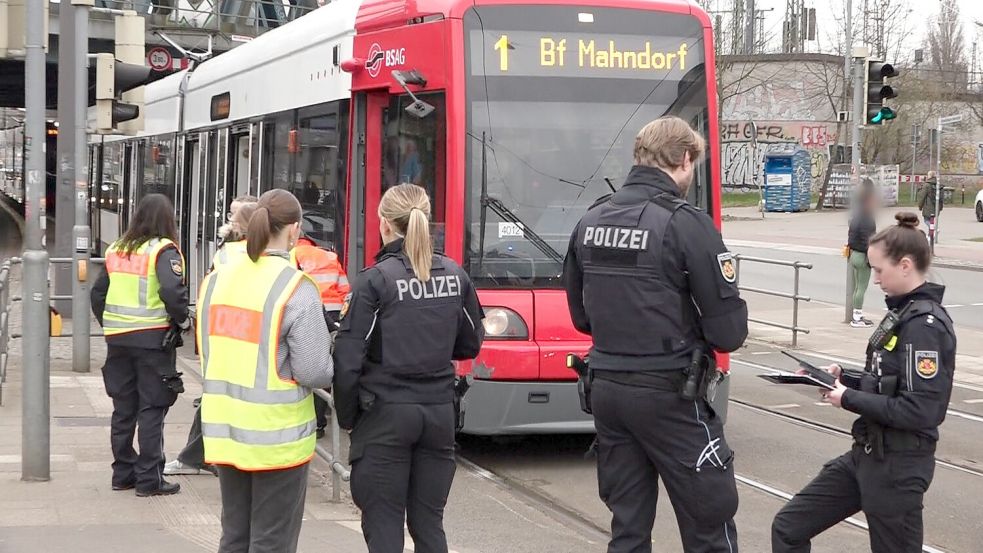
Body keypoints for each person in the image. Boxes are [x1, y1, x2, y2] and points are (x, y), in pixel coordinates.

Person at [563, 116, 748, 553]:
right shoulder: (687, 223)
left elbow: (581, 316)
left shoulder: (590, 220)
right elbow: (729, 332)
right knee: (709, 521)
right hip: (671, 393)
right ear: (685, 159)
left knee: (628, 527)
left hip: (608, 389)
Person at [772, 212, 956, 553]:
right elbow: (889, 382)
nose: (873, 279)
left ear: (904, 266)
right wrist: (843, 377)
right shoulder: (902, 312)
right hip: (867, 455)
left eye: (878, 269)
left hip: (898, 466)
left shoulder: (924, 326)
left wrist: (848, 398)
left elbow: (920, 409)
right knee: (788, 527)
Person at [333, 183, 484, 553]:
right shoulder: (454, 274)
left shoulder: (374, 281)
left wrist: (347, 416)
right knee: (429, 525)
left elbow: (348, 359)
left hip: (385, 416)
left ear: (385, 224)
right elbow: (470, 343)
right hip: (438, 414)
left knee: (384, 526)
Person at [198, 189, 334, 553]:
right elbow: (315, 370)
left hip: (226, 432)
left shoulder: (217, 277)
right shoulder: (294, 287)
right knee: (271, 542)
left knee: (235, 537)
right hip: (277, 440)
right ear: (294, 230)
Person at [91, 193, 190, 497]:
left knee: (123, 408)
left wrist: (112, 325)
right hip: (152, 342)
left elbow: (97, 295)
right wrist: (183, 320)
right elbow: (172, 292)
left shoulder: (117, 250)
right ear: (167, 219)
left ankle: (122, 473)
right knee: (152, 407)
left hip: (118, 341)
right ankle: (149, 479)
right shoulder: (163, 250)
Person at [164, 195, 258, 477]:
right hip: (240, 337)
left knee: (216, 399)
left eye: (234, 215)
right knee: (218, 400)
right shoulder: (244, 252)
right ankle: (200, 457)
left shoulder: (229, 253)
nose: (228, 219)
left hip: (229, 336)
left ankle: (200, 458)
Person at [290, 232, 351, 438]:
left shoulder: (291, 254)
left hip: (310, 312)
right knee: (326, 365)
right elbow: (345, 291)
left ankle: (312, 422)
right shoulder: (330, 256)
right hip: (333, 313)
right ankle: (325, 419)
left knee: (308, 365)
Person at [847, 180, 877, 328]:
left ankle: (855, 315)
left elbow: (851, 237)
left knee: (857, 287)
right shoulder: (867, 219)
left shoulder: (856, 218)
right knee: (861, 288)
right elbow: (869, 240)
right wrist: (871, 256)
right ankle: (857, 317)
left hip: (854, 255)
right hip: (863, 256)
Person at [917, 171, 943, 237]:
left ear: (930, 176)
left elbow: (922, 197)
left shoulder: (926, 185)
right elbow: (942, 197)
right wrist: (940, 207)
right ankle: (930, 235)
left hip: (928, 206)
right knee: (931, 220)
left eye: (928, 175)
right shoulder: (939, 185)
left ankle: (935, 229)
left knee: (926, 220)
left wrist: (920, 206)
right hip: (936, 206)